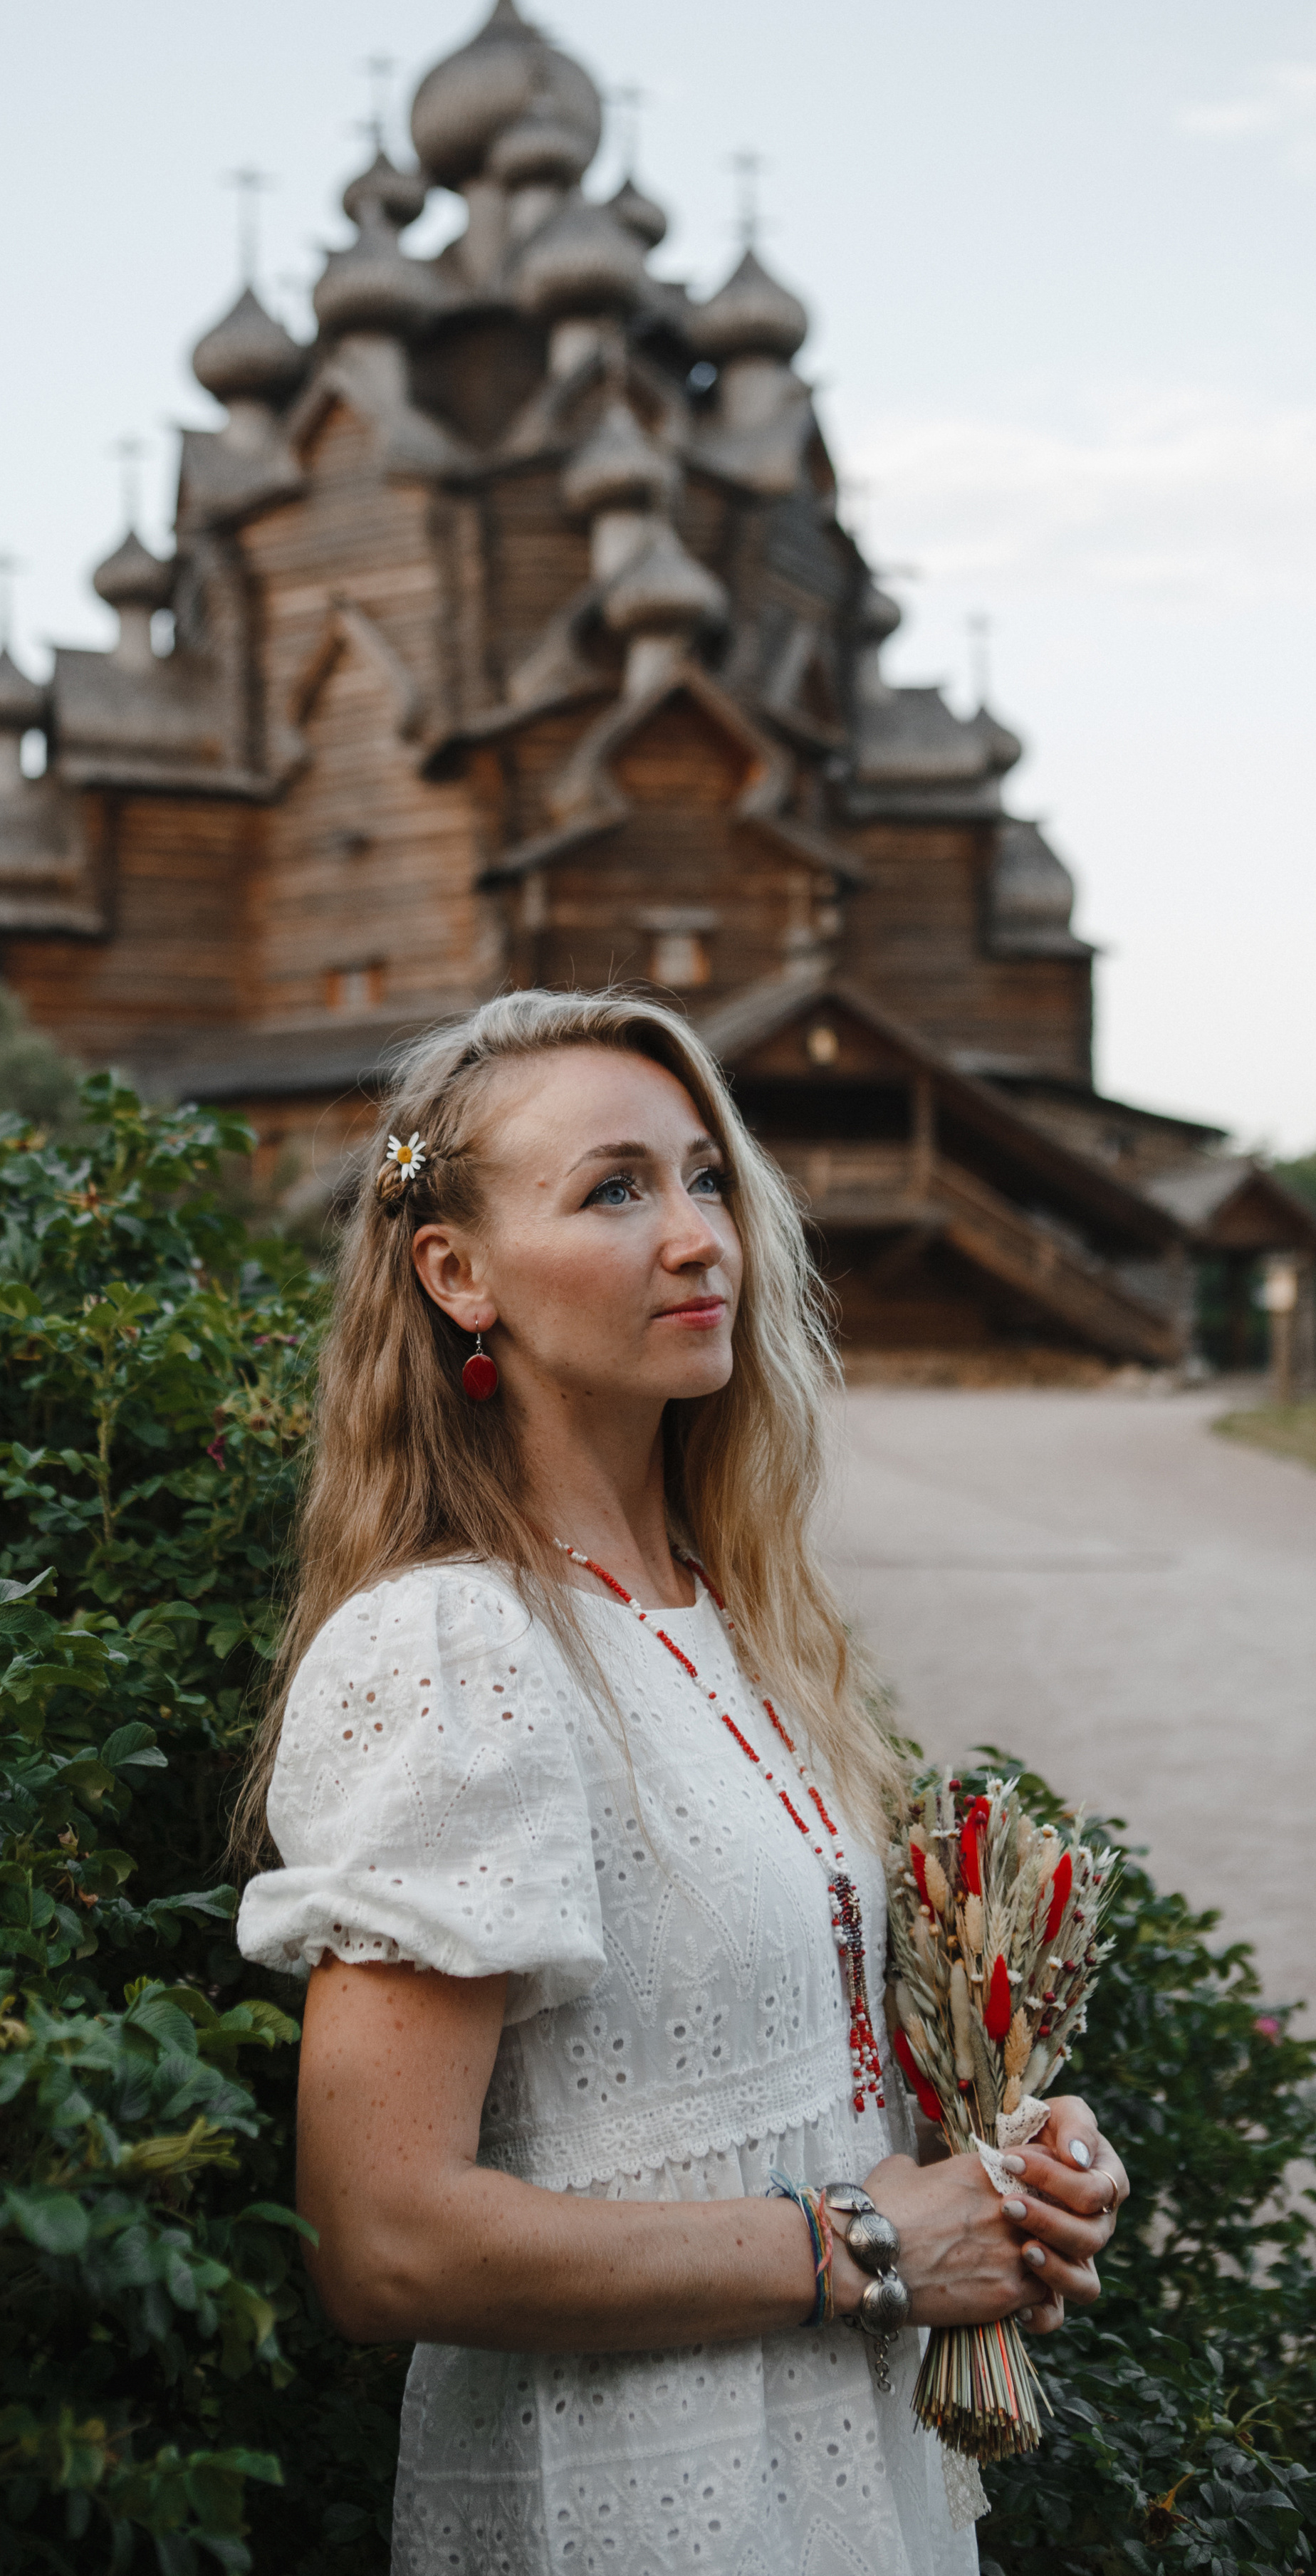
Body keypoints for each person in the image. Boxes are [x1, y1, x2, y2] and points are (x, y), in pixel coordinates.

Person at [236, 988, 1128, 2575]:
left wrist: (999, 2170)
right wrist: (863, 2245)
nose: (699, 1237)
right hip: (637, 2496)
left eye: (707, 1177)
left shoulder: (737, 1621)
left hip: (853, 2478)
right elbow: (383, 2240)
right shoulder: (451, 1646)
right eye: (612, 1189)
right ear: (456, 1273)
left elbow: (780, 2070)